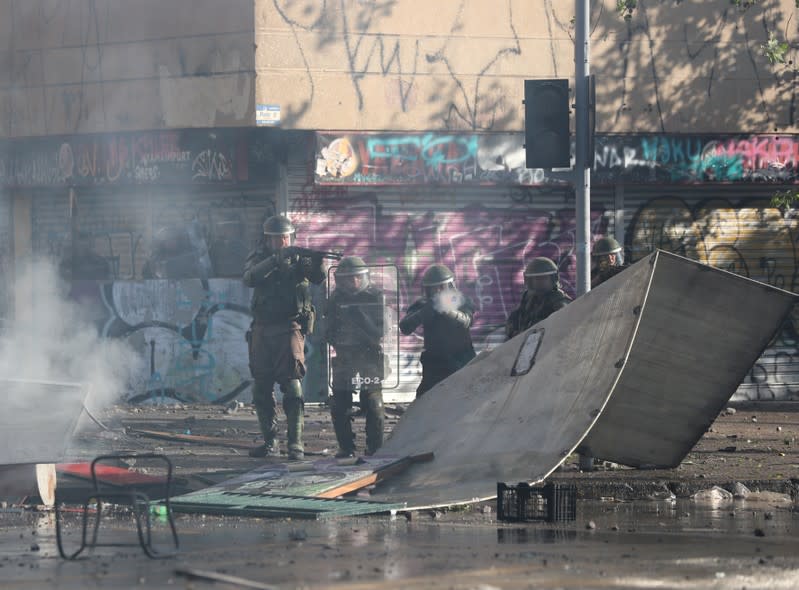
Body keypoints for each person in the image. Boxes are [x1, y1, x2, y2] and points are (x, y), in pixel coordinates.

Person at [243, 215, 325, 460]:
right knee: (261, 387)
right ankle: (270, 442)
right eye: (277, 238)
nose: (282, 241)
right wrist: (275, 260)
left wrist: (317, 262)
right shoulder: (260, 257)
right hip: (262, 329)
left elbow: (317, 279)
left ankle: (295, 443)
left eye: (285, 237)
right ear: (267, 240)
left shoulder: (299, 260)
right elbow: (249, 278)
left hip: (289, 328)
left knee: (292, 384)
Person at [326, 256, 385, 457]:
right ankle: (346, 448)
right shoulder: (336, 298)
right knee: (340, 404)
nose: (354, 282)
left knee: (374, 403)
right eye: (349, 279)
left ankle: (375, 448)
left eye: (358, 278)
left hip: (369, 355)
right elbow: (327, 331)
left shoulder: (375, 296)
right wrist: (339, 341)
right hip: (345, 356)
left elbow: (381, 331)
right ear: (341, 280)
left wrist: (361, 316)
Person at [399, 264, 475, 398]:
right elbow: (405, 327)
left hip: (462, 360)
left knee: (467, 399)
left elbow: (467, 321)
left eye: (442, 286)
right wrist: (424, 312)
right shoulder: (424, 304)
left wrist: (448, 310)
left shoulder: (461, 300)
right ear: (428, 289)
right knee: (424, 400)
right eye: (435, 287)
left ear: (450, 285)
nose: (439, 291)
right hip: (435, 363)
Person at [505, 257, 571, 340]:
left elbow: (566, 324)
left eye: (544, 278)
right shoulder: (528, 297)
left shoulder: (558, 299)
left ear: (553, 278)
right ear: (530, 280)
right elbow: (513, 318)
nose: (540, 282)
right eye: (536, 278)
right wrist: (514, 333)